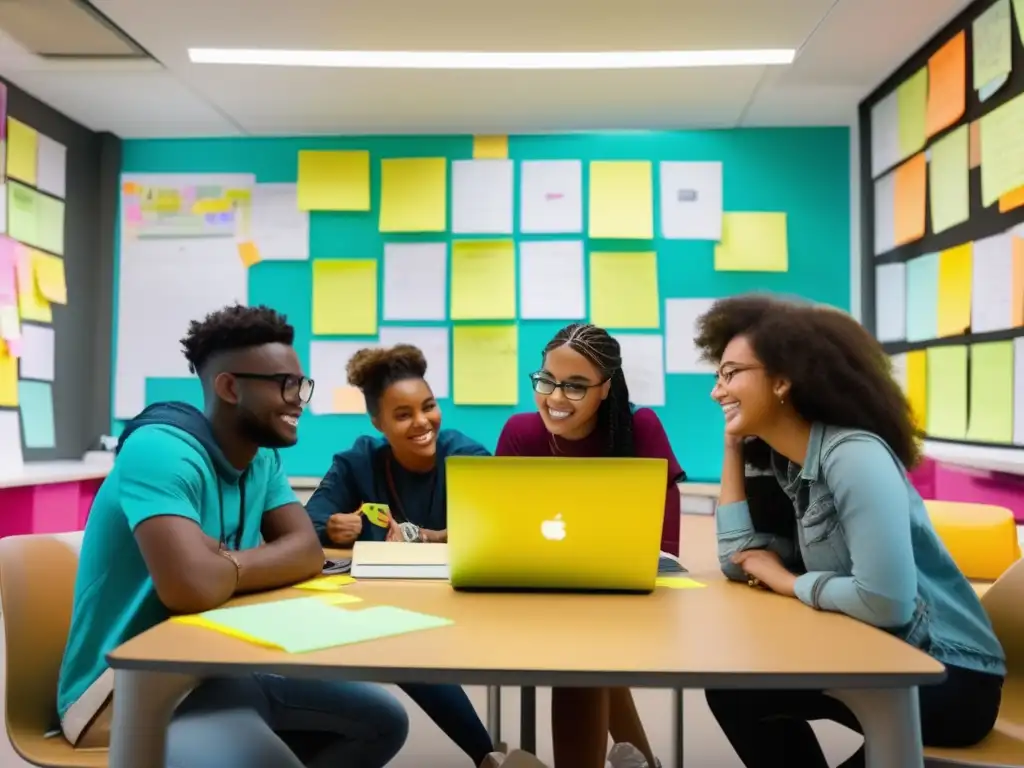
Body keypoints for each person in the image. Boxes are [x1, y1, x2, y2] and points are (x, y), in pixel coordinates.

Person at [57, 305, 409, 768]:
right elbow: (190, 588)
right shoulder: (160, 451)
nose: (299, 399)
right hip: (128, 685)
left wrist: (224, 564)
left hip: (216, 661)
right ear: (229, 387)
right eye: (286, 385)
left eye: (302, 385)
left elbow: (305, 551)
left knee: (384, 720)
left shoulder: (260, 458)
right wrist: (218, 570)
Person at [692, 294, 1005, 768]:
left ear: (782, 380)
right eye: (719, 375)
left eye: (731, 373)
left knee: (742, 691)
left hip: (949, 676)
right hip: (880, 657)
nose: (718, 391)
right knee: (736, 691)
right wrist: (732, 447)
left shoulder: (854, 455)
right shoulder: (788, 461)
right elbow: (739, 559)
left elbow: (886, 601)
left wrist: (785, 581)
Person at [496, 322, 683, 768]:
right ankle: (646, 764)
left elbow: (667, 549)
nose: (555, 399)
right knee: (580, 646)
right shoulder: (520, 433)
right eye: (546, 381)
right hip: (537, 597)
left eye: (576, 387)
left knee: (580, 654)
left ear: (605, 388)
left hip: (629, 598)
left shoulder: (640, 427)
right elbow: (499, 532)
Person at [305, 343, 501, 768]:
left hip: (466, 606)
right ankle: (489, 759)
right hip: (392, 612)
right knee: (396, 642)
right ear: (378, 422)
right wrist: (333, 525)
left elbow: (498, 529)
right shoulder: (360, 460)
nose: (422, 422)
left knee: (406, 646)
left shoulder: (466, 457)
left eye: (428, 406)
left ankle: (486, 756)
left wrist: (430, 538)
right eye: (403, 414)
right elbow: (308, 523)